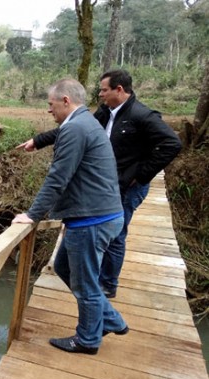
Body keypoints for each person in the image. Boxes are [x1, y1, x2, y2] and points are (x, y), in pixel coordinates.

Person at [18, 69, 181, 298]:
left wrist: (141, 174)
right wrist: (39, 140)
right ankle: (95, 289)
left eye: (104, 90)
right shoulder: (106, 112)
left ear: (119, 90)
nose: (101, 94)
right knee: (108, 232)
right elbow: (74, 129)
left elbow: (172, 144)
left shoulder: (142, 115)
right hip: (104, 182)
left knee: (117, 235)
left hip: (127, 186)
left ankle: (107, 285)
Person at [12, 78, 127, 354]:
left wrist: (33, 215)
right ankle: (110, 319)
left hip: (92, 220)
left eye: (51, 105)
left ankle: (87, 340)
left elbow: (57, 178)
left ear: (66, 101)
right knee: (63, 267)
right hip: (98, 215)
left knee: (85, 284)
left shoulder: (75, 128)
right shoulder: (84, 123)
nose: (49, 111)